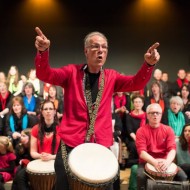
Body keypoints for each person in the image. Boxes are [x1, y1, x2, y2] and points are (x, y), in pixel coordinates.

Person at [34, 26, 160, 190]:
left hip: (99, 144)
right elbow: (45, 75)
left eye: (104, 47)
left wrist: (148, 65)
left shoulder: (111, 77)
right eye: (95, 46)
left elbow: (137, 82)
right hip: (71, 143)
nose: (100, 50)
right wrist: (43, 53)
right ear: (86, 51)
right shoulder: (71, 72)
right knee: (63, 185)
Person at [136, 103, 187, 190]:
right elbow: (142, 152)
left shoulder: (168, 130)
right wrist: (154, 162)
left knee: (182, 176)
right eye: (152, 113)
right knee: (141, 176)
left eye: (157, 113)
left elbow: (172, 149)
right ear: (147, 116)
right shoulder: (141, 131)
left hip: (165, 162)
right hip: (147, 162)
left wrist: (167, 162)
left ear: (161, 115)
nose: (155, 115)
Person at [12, 100, 61, 190]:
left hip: (55, 162)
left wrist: (51, 157)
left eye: (51, 109)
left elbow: (63, 153)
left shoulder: (61, 129)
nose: (48, 111)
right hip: (39, 161)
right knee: (20, 176)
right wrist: (41, 155)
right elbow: (33, 152)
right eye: (45, 109)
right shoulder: (35, 129)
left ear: (54, 111)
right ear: (42, 112)